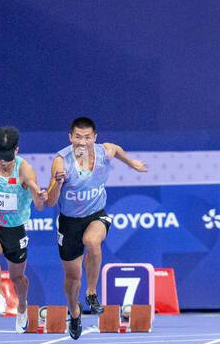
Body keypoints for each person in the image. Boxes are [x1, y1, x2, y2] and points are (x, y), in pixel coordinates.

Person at [42, 116, 147, 323]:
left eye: (87, 137)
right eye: (78, 137)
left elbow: (115, 148)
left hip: (96, 215)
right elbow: (51, 202)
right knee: (72, 279)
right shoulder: (61, 162)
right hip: (69, 222)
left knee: (92, 241)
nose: (82, 142)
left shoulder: (103, 152)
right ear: (70, 137)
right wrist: (57, 183)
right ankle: (74, 313)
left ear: (94, 138)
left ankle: (91, 293)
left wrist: (131, 163)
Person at [0, 127, 47, 334]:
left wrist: (39, 196)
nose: (3, 162)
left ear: (17, 150)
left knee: (18, 279)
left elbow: (39, 202)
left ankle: (22, 306)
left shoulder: (25, 170)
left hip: (15, 230)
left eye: (7, 157)